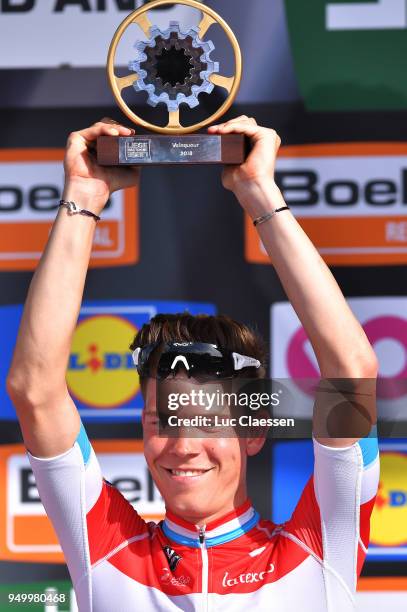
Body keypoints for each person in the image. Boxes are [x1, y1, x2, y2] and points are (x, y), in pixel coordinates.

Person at [6, 116, 379, 612]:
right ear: (144, 425)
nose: (183, 447)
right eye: (167, 421)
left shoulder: (321, 545)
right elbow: (34, 389)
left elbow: (351, 372)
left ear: (253, 430)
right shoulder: (105, 544)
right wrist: (83, 197)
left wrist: (259, 194)